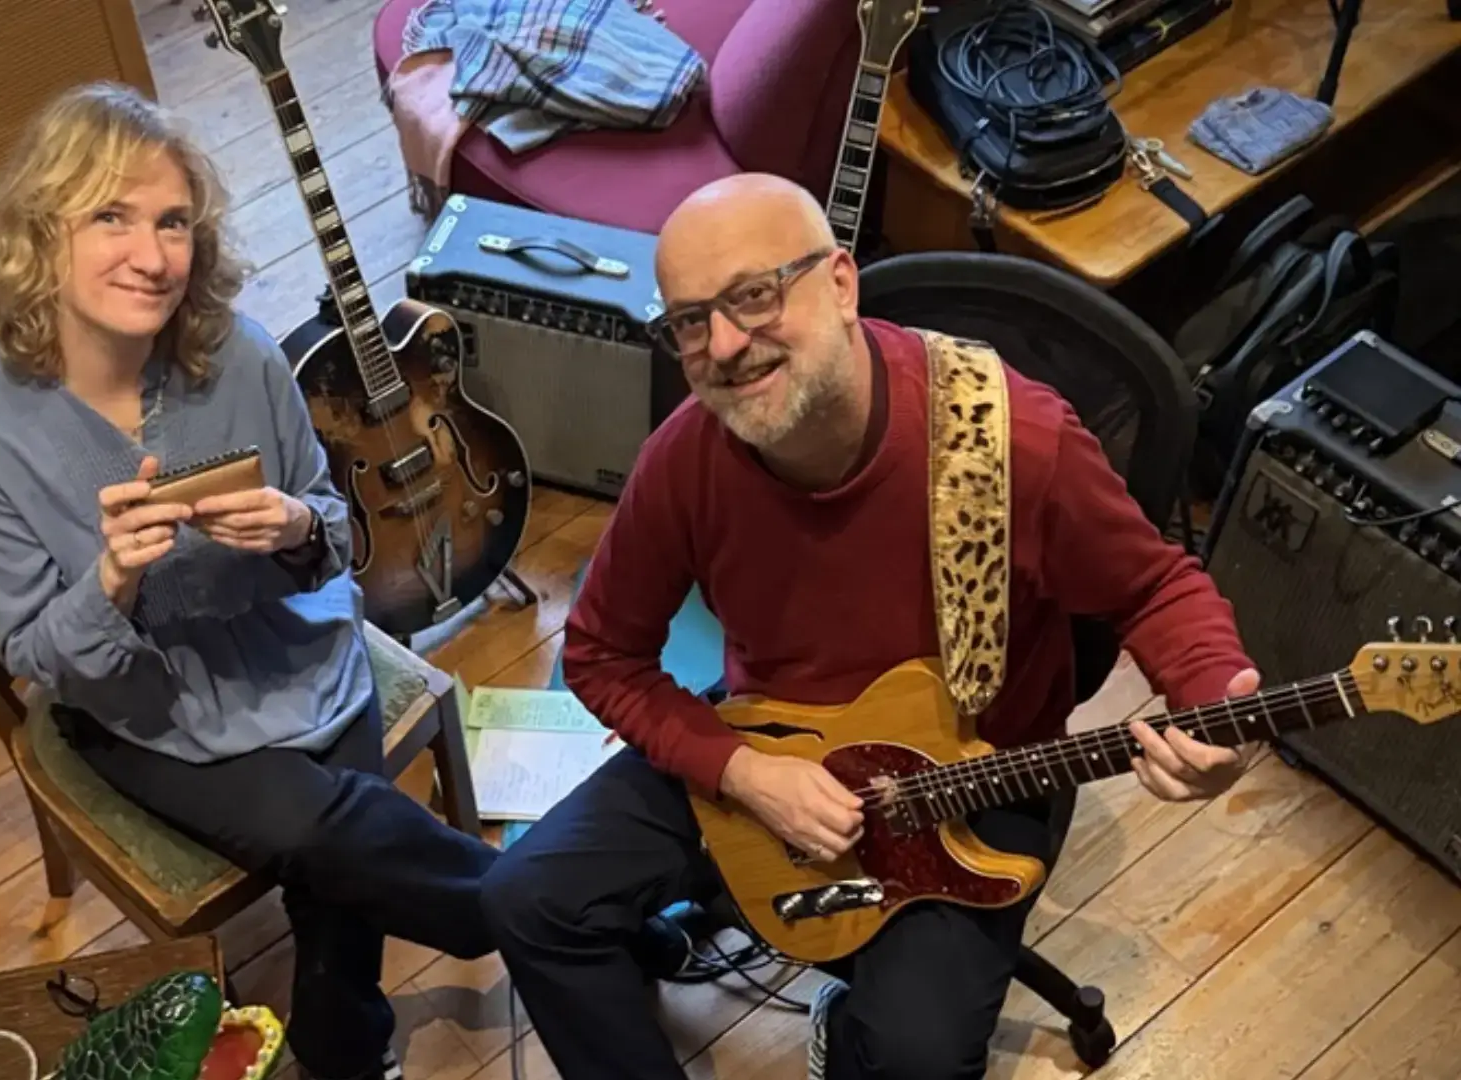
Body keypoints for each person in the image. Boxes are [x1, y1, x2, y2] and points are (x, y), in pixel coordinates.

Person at [478, 173, 1261, 1080]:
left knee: (912, 1058)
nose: (724, 345)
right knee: (526, 899)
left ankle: (848, 1036)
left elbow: (1155, 588)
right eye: (691, 321)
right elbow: (603, 653)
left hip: (970, 775)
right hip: (772, 741)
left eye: (754, 295)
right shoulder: (686, 460)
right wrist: (746, 771)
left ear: (841, 283)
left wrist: (1213, 707)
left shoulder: (1013, 441)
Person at [0, 82, 497, 1080]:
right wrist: (106, 580)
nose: (152, 257)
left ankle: (348, 1051)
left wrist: (289, 527)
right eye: (112, 216)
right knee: (328, 828)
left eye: (174, 222)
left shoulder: (235, 353)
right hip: (140, 704)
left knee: (336, 860)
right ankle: (548, 909)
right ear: (41, 229)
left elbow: (328, 518)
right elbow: (33, 655)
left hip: (296, 646)